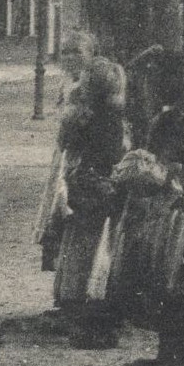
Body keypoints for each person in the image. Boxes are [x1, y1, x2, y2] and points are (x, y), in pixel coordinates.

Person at [108, 48, 184, 366]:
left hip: (170, 215)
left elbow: (165, 172)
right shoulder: (182, 118)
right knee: (173, 281)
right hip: (181, 211)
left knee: (168, 279)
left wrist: (132, 171)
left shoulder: (169, 122)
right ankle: (173, 357)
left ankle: (172, 360)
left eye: (145, 83)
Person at [43, 56, 127, 348]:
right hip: (99, 188)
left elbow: (68, 145)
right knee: (98, 250)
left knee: (77, 245)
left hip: (78, 185)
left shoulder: (79, 115)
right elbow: (113, 156)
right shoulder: (112, 120)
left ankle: (72, 300)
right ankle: (93, 308)